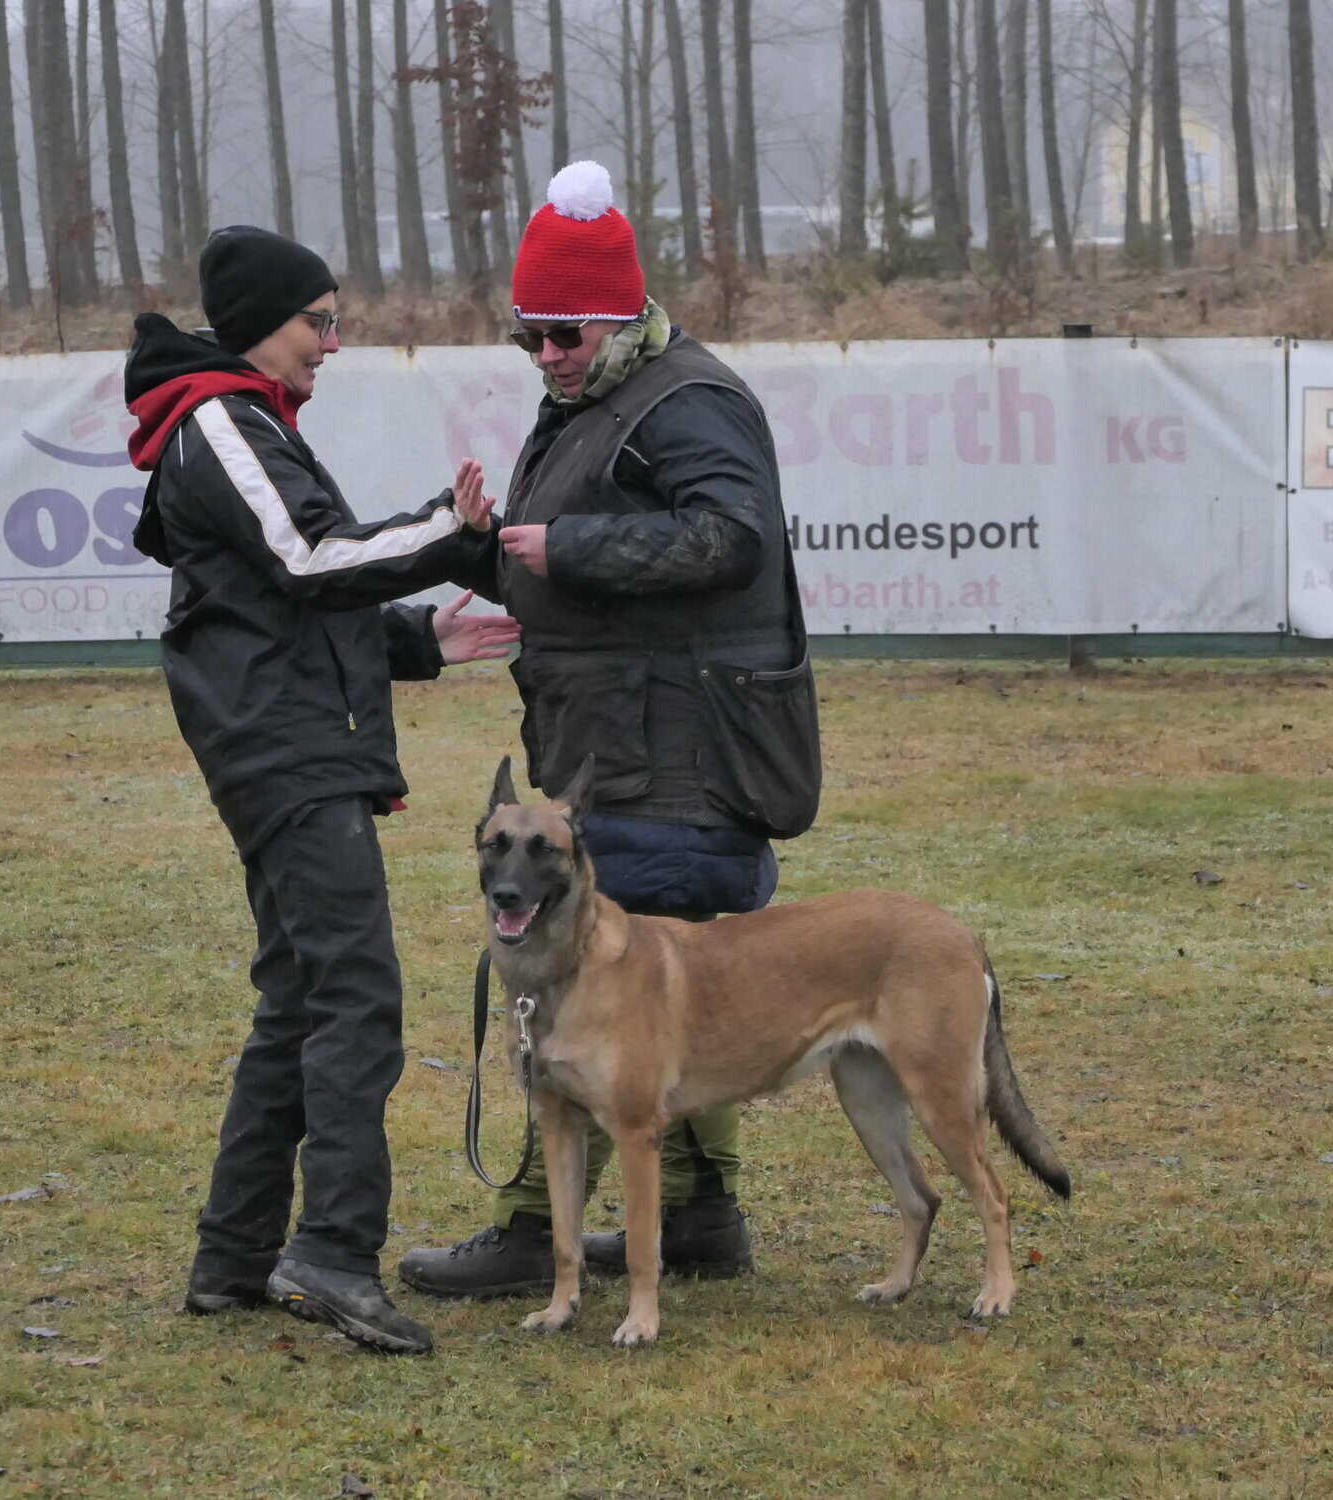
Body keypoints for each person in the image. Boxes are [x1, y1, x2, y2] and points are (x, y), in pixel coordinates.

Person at [399, 162, 822, 1301]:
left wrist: (569, 547)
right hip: (618, 753)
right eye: (528, 334)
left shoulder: (690, 401)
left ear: (622, 312)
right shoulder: (593, 401)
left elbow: (732, 538)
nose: (545, 354)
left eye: (564, 332)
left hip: (676, 764)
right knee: (670, 1011)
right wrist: (484, 545)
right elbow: (566, 559)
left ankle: (536, 1226)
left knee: (573, 990)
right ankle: (699, 1216)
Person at [124, 225, 520, 1355]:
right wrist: (449, 532)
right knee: (356, 1001)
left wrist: (423, 639)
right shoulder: (218, 420)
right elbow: (307, 561)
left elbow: (276, 605)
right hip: (288, 757)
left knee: (299, 1002)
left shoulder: (242, 420)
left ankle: (233, 1258)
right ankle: (334, 1254)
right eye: (318, 322)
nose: (332, 343)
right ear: (261, 323)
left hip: (286, 746)